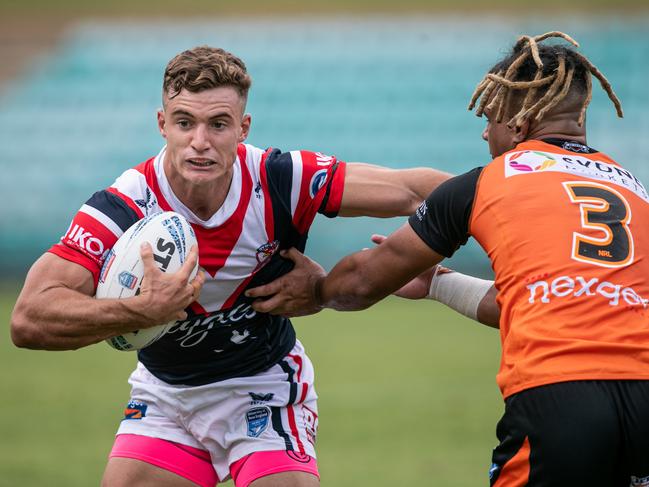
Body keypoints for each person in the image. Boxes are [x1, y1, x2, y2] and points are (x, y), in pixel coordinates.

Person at [9, 46, 451, 487]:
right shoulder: (124, 206)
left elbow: (415, 192)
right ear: (163, 125)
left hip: (264, 388)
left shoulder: (281, 178)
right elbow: (29, 318)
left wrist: (511, 191)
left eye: (218, 124)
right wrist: (142, 311)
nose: (200, 141)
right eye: (185, 122)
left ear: (243, 128)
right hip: (166, 398)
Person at [246, 32, 649, 486]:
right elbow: (529, 301)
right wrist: (439, 283)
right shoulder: (633, 189)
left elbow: (362, 282)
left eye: (492, 116)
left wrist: (317, 289)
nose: (484, 130)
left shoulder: (488, 182)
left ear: (518, 123)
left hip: (556, 395)